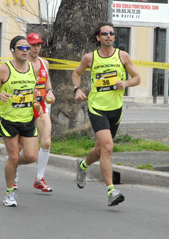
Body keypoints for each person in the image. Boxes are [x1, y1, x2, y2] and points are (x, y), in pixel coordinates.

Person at [72, 22, 141, 206]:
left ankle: (83, 165)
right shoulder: (90, 58)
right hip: (97, 108)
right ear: (98, 37)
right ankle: (111, 191)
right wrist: (77, 90)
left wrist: (125, 84)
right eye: (105, 34)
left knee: (100, 150)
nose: (109, 36)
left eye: (112, 33)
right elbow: (76, 74)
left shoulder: (122, 56)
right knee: (108, 147)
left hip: (115, 109)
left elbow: (137, 78)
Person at [0, 36, 41, 207]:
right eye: (21, 48)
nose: (26, 50)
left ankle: (12, 163)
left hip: (27, 119)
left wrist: (35, 102)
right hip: (9, 119)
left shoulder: (33, 68)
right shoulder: (4, 69)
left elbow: (32, 90)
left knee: (32, 156)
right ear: (13, 50)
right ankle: (9, 193)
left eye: (28, 47)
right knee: (14, 155)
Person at [23, 32, 56, 192]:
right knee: (18, 148)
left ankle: (39, 178)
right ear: (26, 46)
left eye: (39, 45)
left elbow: (47, 79)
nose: (36, 48)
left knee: (47, 142)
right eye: (33, 45)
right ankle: (13, 173)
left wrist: (50, 91)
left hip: (41, 106)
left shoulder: (44, 63)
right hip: (23, 107)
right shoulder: (20, 63)